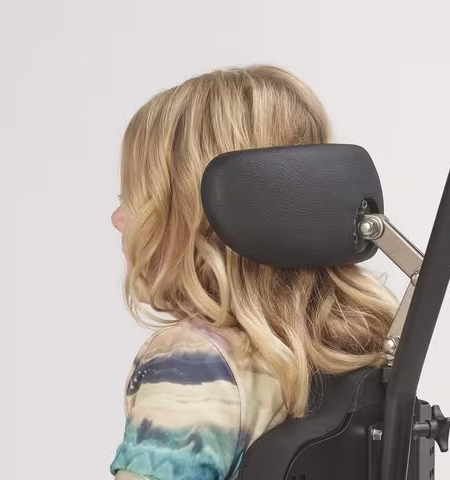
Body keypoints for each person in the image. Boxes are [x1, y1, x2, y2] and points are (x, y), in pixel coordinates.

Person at [109, 65, 398, 480]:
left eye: (132, 197)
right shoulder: (352, 349)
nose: (119, 218)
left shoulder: (192, 364)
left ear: (200, 216)